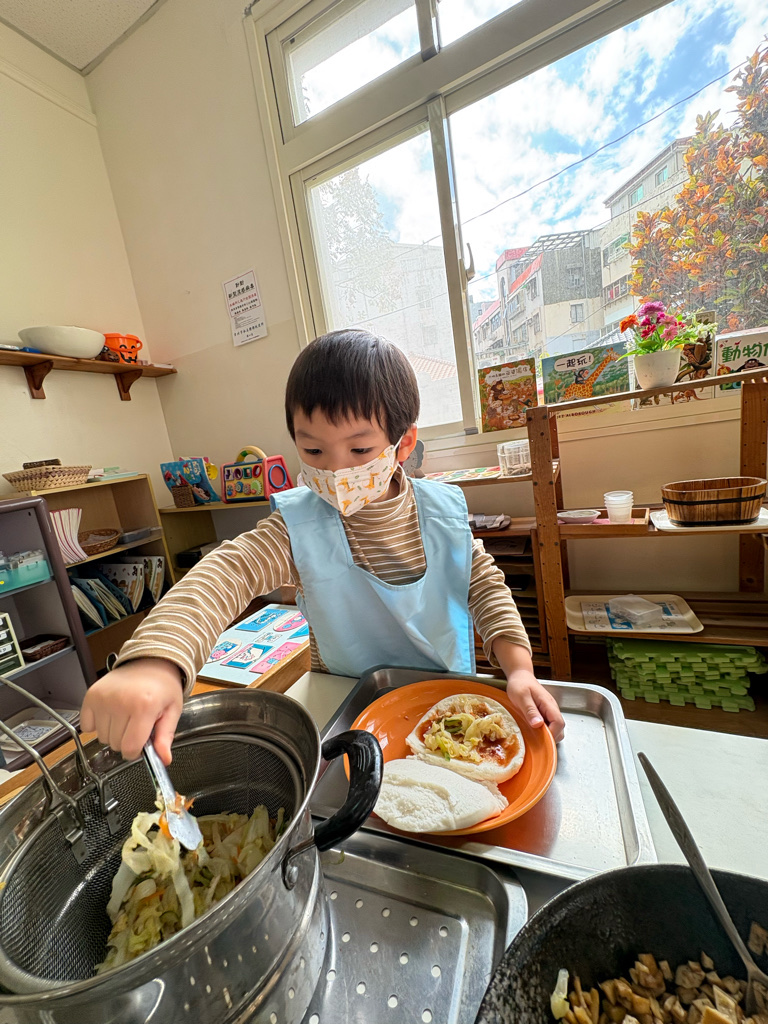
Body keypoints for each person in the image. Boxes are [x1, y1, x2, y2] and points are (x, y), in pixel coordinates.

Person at [81, 330, 564, 764]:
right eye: (313, 450)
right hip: (347, 705)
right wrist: (157, 659)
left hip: (444, 702)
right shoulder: (298, 526)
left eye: (359, 450)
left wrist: (519, 670)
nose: (335, 470)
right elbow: (227, 571)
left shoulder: (441, 514)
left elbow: (485, 588)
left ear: (403, 443)